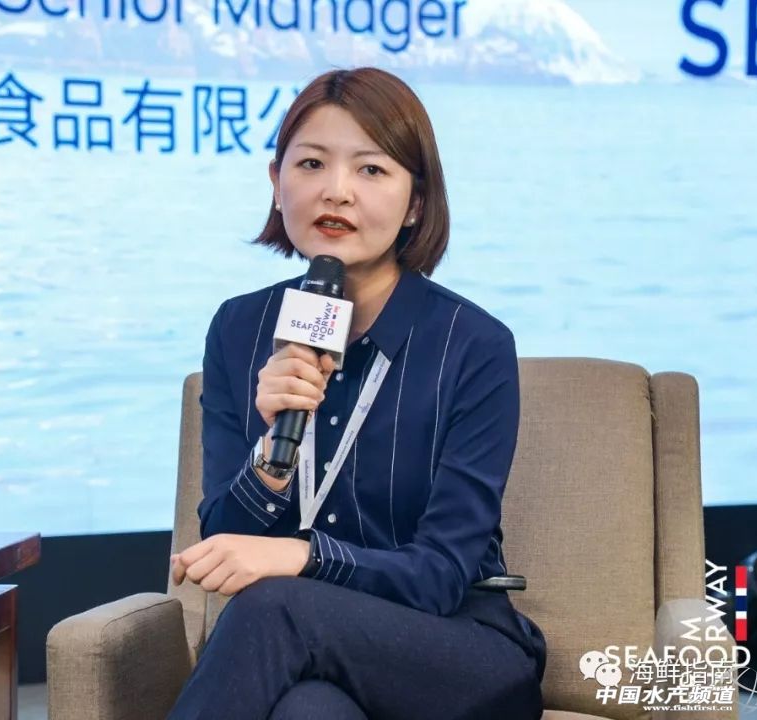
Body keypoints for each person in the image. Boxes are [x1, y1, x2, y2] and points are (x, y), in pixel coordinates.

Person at [167, 67, 547, 720]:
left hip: (456, 647)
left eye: (371, 170)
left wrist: (301, 557)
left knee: (276, 606)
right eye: (311, 163)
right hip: (303, 651)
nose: (336, 191)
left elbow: (440, 575)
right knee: (309, 711)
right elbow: (223, 545)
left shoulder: (473, 343)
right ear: (276, 182)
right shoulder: (239, 329)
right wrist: (271, 456)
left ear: (416, 202)